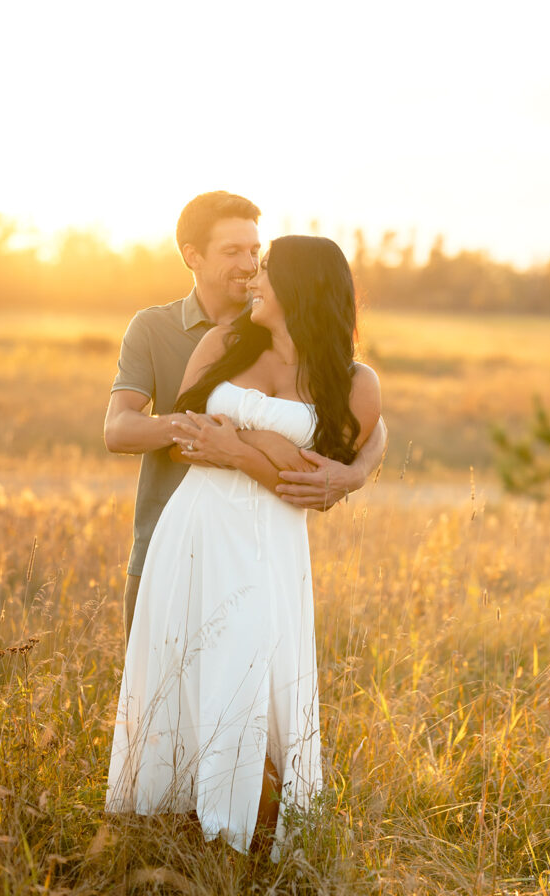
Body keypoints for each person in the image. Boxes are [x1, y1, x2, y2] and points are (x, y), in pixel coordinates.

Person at [105, 234, 382, 858]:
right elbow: (187, 437)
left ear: (301, 290)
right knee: (189, 660)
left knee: (250, 665)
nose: (254, 279)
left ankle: (237, 832)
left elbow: (314, 480)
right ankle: (173, 816)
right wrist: (263, 449)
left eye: (267, 270)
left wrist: (239, 448)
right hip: (198, 526)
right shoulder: (226, 343)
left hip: (272, 542)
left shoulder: (355, 382)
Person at [104, 191, 387, 645]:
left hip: (262, 540)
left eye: (256, 251)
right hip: (167, 533)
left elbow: (358, 420)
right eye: (232, 251)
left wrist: (355, 473)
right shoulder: (157, 329)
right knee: (158, 696)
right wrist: (240, 439)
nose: (250, 266)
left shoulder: (279, 330)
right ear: (191, 256)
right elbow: (118, 430)